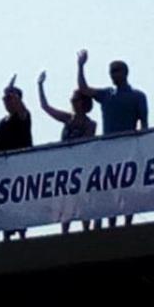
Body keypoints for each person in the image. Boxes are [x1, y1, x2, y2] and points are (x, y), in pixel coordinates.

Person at [76, 49, 148, 228]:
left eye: (117, 71)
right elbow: (84, 89)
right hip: (107, 150)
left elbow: (144, 124)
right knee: (105, 188)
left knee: (127, 188)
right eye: (111, 72)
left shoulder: (137, 96)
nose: (113, 75)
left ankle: (127, 223)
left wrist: (141, 147)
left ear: (125, 72)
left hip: (128, 148)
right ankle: (109, 223)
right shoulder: (107, 94)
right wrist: (80, 66)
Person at [37, 70, 96, 233]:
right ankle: (65, 232)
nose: (72, 102)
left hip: (82, 166)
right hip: (65, 165)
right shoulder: (67, 118)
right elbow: (46, 107)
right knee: (65, 201)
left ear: (83, 102)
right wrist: (40, 85)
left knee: (83, 199)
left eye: (75, 99)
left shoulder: (90, 124)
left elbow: (87, 143)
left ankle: (86, 230)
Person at [0, 76, 33, 241]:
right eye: (4, 99)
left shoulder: (23, 116)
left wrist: (12, 92)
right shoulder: (2, 122)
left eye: (9, 98)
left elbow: (21, 109)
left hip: (20, 166)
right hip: (3, 169)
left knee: (20, 201)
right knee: (4, 204)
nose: (6, 101)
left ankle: (21, 235)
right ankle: (6, 234)